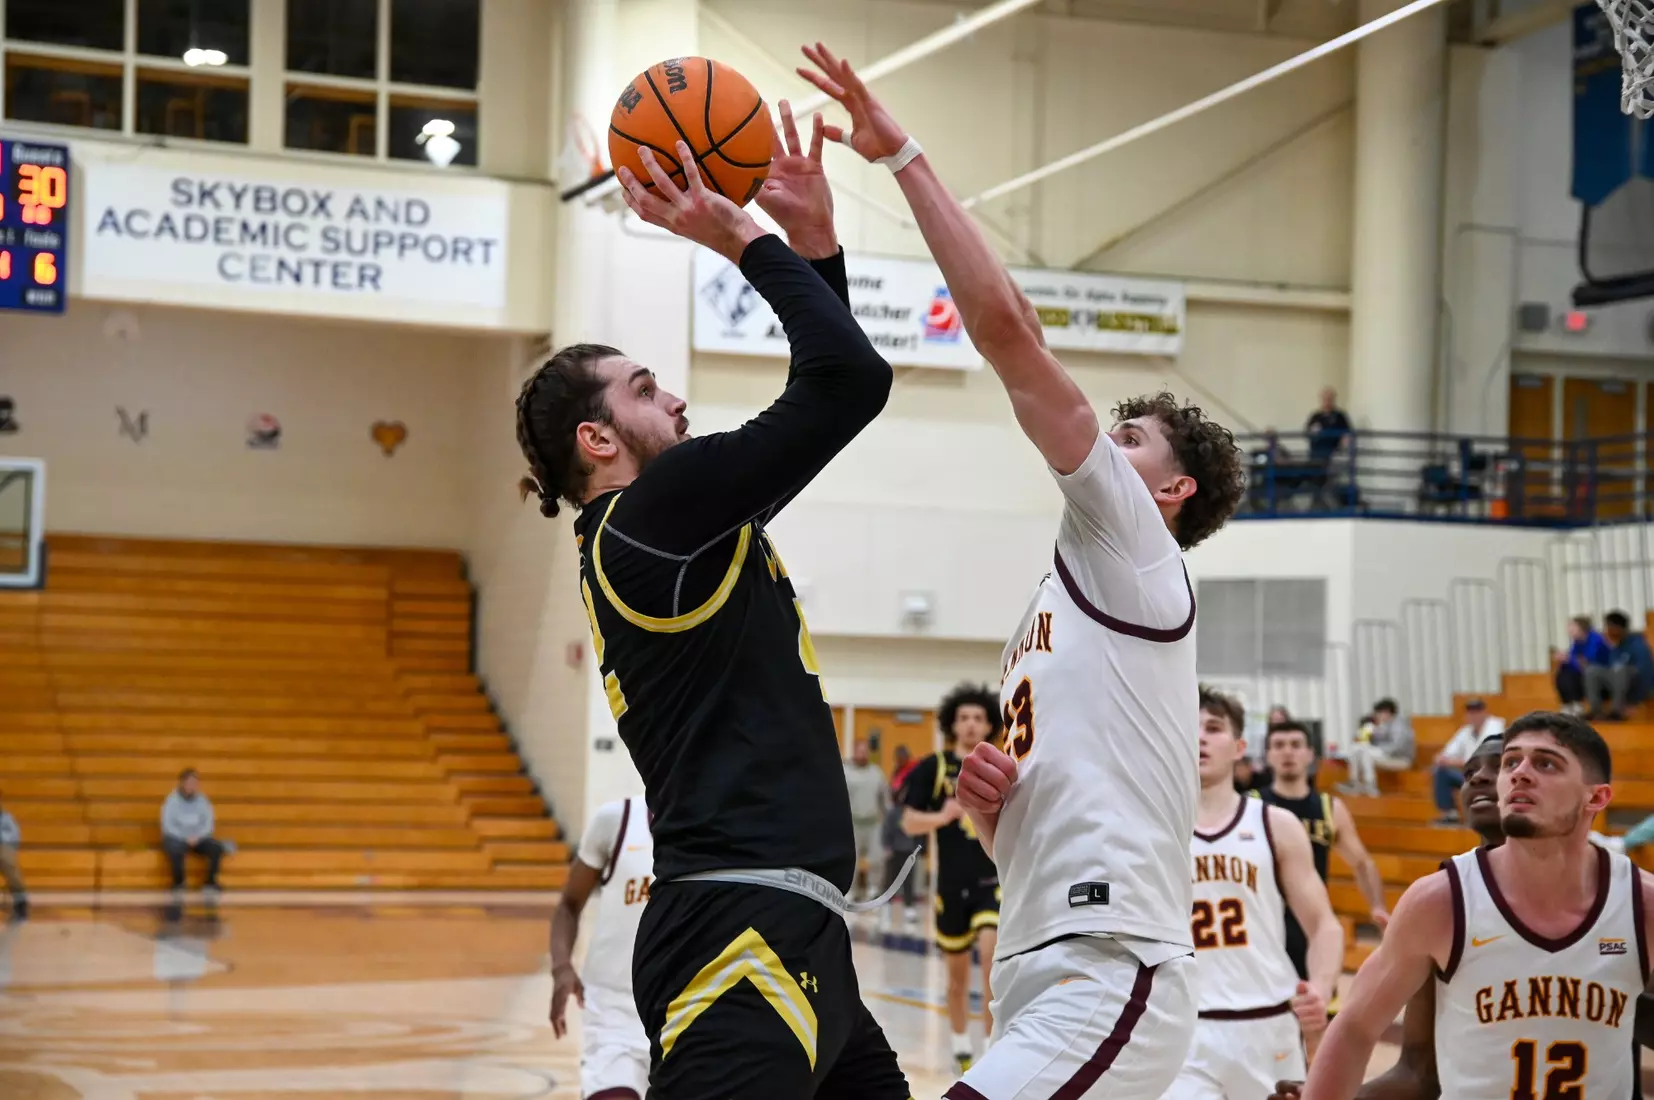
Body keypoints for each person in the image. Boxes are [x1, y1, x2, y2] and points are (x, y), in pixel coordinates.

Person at [798, 43, 1248, 1097]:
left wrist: (900, 153)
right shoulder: (1062, 600)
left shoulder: (1134, 543)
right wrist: (998, 810)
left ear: (1169, 492)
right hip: (1047, 950)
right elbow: (1047, 818)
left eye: (1131, 437)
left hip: (1113, 960)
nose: (1107, 443)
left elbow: (1009, 330)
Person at [518, 105, 910, 1099]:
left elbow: (830, 398)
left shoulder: (678, 527)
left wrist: (816, 251)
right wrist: (740, 234)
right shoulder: (653, 521)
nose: (679, 399)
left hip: (792, 922)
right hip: (739, 939)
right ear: (597, 441)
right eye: (646, 389)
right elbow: (849, 383)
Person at [1270, 732, 1644, 1100]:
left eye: (1497, 764)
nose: (1483, 777)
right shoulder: (1441, 904)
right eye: (1472, 772)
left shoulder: (1631, 899)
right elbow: (1418, 1073)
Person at [1163, 689, 1342, 1099]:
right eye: (1191, 728)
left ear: (1239, 747)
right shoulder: (1155, 828)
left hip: (1269, 1023)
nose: (1201, 738)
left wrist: (1321, 984)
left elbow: (1324, 925)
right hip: (1183, 1027)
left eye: (1214, 728)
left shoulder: (1275, 824)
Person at [901, 684, 1004, 1074]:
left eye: (978, 717)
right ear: (952, 724)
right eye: (964, 718)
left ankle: (994, 1052)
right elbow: (909, 822)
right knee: (956, 979)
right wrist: (941, 816)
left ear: (989, 724)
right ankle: (962, 1048)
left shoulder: (1000, 765)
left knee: (992, 962)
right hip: (949, 886)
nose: (971, 724)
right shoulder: (935, 767)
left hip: (990, 881)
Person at [1255, 722, 1390, 984]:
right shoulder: (1251, 805)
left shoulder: (1329, 808)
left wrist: (1377, 906)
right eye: (1279, 746)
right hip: (1262, 925)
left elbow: (1362, 863)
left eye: (1296, 745)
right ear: (1268, 756)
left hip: (1310, 926)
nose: (1287, 752)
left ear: (1310, 755)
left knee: (1314, 1012)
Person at [550, 796, 654, 1100]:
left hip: (688, 1014)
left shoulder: (718, 828)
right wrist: (561, 967)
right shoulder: (616, 820)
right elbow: (568, 905)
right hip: (615, 1014)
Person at [1429, 699, 1504, 825]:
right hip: (1470, 776)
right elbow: (1446, 754)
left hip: (1491, 777)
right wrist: (1441, 758)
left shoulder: (1495, 728)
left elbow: (1483, 760)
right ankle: (1450, 814)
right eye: (1470, 713)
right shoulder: (1465, 731)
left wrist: (1452, 762)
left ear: (1484, 712)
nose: (1473, 716)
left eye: (1476, 712)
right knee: (1440, 771)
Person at [160, 768, 227, 899]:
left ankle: (210, 883)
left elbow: (208, 824)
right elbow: (167, 825)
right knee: (174, 848)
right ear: (182, 783)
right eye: (189, 782)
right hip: (178, 837)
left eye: (195, 783)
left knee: (216, 848)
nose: (192, 786)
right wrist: (185, 838)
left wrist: (198, 837)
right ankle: (179, 883)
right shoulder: (171, 801)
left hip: (198, 838)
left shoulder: (203, 800)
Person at [1587, 609, 1654, 720]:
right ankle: (1595, 709)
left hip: (1634, 686)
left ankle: (1616, 710)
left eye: (1609, 627)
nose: (1606, 631)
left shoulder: (1637, 644)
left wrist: (1635, 701)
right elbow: (1601, 664)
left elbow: (1646, 672)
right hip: (1616, 683)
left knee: (1619, 669)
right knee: (1592, 670)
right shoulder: (1611, 645)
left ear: (1618, 628)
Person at [1340, 698, 1414, 797]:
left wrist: (1377, 749)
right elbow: (1372, 742)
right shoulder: (1384, 725)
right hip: (1386, 756)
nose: (1377, 716)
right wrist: (1366, 734)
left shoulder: (1400, 726)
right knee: (1357, 748)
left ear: (1386, 712)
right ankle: (1355, 782)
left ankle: (1370, 785)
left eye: (1379, 714)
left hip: (1400, 759)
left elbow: (1396, 747)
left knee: (1367, 753)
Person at [843, 740, 888, 903]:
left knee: (876, 859)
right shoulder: (845, 772)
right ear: (854, 752)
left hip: (874, 823)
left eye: (865, 751)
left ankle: (873, 890)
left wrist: (888, 823)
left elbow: (886, 800)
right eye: (859, 751)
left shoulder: (877, 773)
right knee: (850, 859)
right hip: (852, 823)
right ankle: (849, 891)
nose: (862, 754)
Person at [1555, 615, 1609, 715]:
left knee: (1574, 673)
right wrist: (1564, 660)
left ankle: (1578, 704)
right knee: (1563, 672)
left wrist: (1569, 659)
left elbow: (1588, 662)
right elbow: (1575, 661)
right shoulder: (1577, 642)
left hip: (1601, 675)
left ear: (1581, 628)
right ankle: (1568, 704)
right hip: (1585, 672)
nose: (1569, 629)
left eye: (1572, 626)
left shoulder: (1595, 639)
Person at [0, 795, 26, 920]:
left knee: (7, 859)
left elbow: (14, 837)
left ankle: (20, 903)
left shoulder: (7, 818)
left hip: (3, 847)